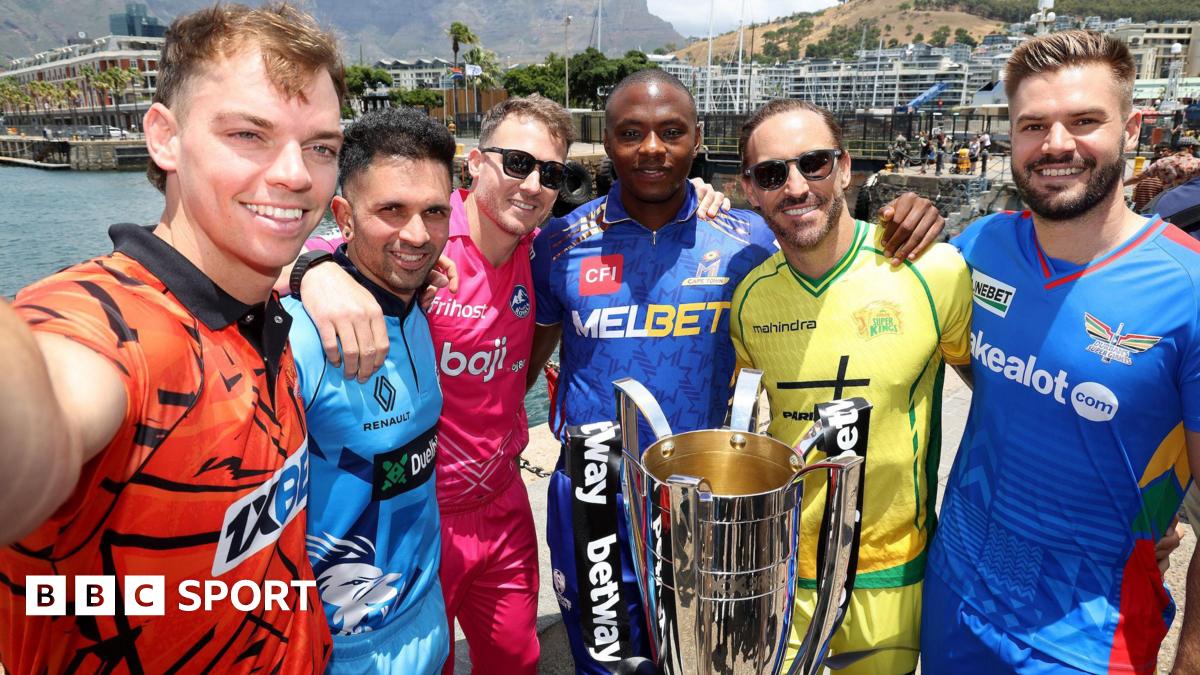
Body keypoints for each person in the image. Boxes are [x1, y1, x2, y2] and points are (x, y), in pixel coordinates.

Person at [290, 95, 738, 675]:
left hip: (503, 503)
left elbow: (528, 362)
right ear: (476, 163)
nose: (532, 185)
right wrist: (314, 272)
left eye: (550, 173)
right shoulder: (423, 242)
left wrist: (698, 195)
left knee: (516, 659)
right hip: (423, 512)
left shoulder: (543, 249)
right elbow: (310, 253)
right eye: (518, 163)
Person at [528, 68, 947, 673]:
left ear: (697, 140)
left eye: (672, 131)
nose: (652, 148)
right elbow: (520, 364)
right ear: (608, 141)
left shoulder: (747, 240)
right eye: (630, 133)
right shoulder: (559, 243)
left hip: (708, 497)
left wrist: (909, 217)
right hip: (594, 490)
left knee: (705, 661)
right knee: (606, 664)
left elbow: (826, 254)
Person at [0, 4, 341, 671]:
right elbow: (50, 404)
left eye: (321, 147)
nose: (297, 175)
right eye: (249, 134)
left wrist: (315, 270)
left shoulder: (260, 313)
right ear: (164, 137)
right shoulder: (114, 326)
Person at [922, 30, 1200, 673]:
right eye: (1033, 125)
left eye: (1083, 121)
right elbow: (979, 361)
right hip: (954, 597)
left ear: (1132, 129)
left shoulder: (1187, 288)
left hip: (1088, 638)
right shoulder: (981, 246)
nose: (1055, 144)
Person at [731, 98, 973, 675]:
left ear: (843, 168)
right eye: (772, 173)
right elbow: (742, 431)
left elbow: (1003, 402)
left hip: (892, 570)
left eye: (813, 163)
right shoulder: (749, 299)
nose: (796, 186)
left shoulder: (934, 271)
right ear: (750, 190)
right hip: (783, 567)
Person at [286, 108, 454, 673]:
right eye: (391, 210)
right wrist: (306, 269)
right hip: (340, 649)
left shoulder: (419, 308)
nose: (417, 235)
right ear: (344, 216)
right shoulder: (303, 336)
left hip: (426, 614)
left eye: (434, 211)